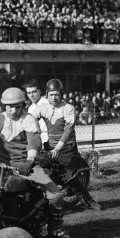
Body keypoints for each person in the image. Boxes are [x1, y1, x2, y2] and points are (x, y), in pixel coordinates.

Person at [0, 87, 72, 238]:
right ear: (3, 105)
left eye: (17, 106)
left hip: (29, 164)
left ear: (23, 105)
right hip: (4, 166)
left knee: (56, 195)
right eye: (9, 106)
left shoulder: (29, 119)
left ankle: (56, 227)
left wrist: (30, 159)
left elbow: (34, 140)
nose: (13, 110)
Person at [29, 78, 102, 210]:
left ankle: (89, 201)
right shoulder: (42, 108)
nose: (54, 97)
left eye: (57, 94)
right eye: (51, 95)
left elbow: (68, 130)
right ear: (46, 95)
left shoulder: (68, 108)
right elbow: (29, 120)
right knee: (40, 170)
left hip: (67, 147)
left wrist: (58, 147)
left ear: (61, 94)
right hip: (50, 147)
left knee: (70, 177)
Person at [23, 78, 49, 144]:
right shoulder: (31, 108)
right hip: (39, 139)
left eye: (34, 92)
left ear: (39, 91)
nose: (31, 95)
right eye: (29, 93)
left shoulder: (47, 103)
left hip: (51, 138)